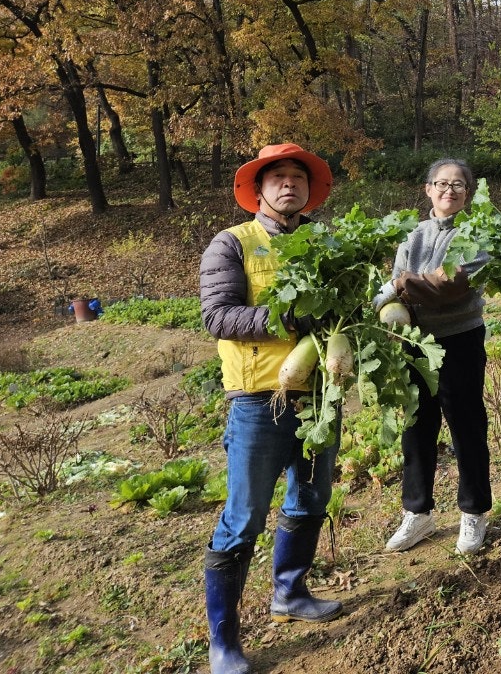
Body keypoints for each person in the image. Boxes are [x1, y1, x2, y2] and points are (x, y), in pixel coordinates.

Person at [198, 143, 343, 674]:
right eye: (277, 177)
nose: (289, 185)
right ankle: (224, 642)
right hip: (259, 399)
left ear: (309, 190)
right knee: (244, 518)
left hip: (320, 397)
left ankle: (290, 592)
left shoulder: (325, 243)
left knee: (310, 497)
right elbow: (218, 317)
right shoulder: (232, 243)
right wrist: (289, 320)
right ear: (258, 190)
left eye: (297, 178)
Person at [372, 159, 493, 556]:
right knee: (417, 427)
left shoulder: (478, 233)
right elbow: (403, 288)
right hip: (415, 341)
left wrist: (401, 284)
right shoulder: (413, 234)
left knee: (466, 427)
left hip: (459, 339)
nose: (449, 191)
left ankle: (474, 512)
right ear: (428, 190)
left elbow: (452, 284)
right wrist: (402, 289)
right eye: (442, 184)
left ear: (468, 194)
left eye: (458, 185)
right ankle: (418, 511)